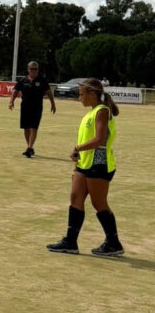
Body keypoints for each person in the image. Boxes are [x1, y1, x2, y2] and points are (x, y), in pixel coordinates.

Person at [47, 78, 123, 256]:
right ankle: (70, 241)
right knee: (75, 197)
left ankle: (113, 242)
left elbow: (99, 139)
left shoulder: (102, 111)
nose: (79, 98)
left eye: (81, 94)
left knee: (99, 203)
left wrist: (77, 148)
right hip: (85, 162)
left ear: (92, 93)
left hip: (99, 163)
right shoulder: (91, 112)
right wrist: (79, 153)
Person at [8, 61, 56, 158]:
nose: (33, 71)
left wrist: (53, 104)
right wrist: (11, 101)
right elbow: (16, 91)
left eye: (35, 69)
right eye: (31, 69)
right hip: (25, 107)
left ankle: (30, 148)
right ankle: (29, 147)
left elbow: (49, 92)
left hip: (37, 107)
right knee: (26, 128)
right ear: (28, 69)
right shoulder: (23, 80)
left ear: (38, 70)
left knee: (34, 127)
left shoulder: (42, 80)